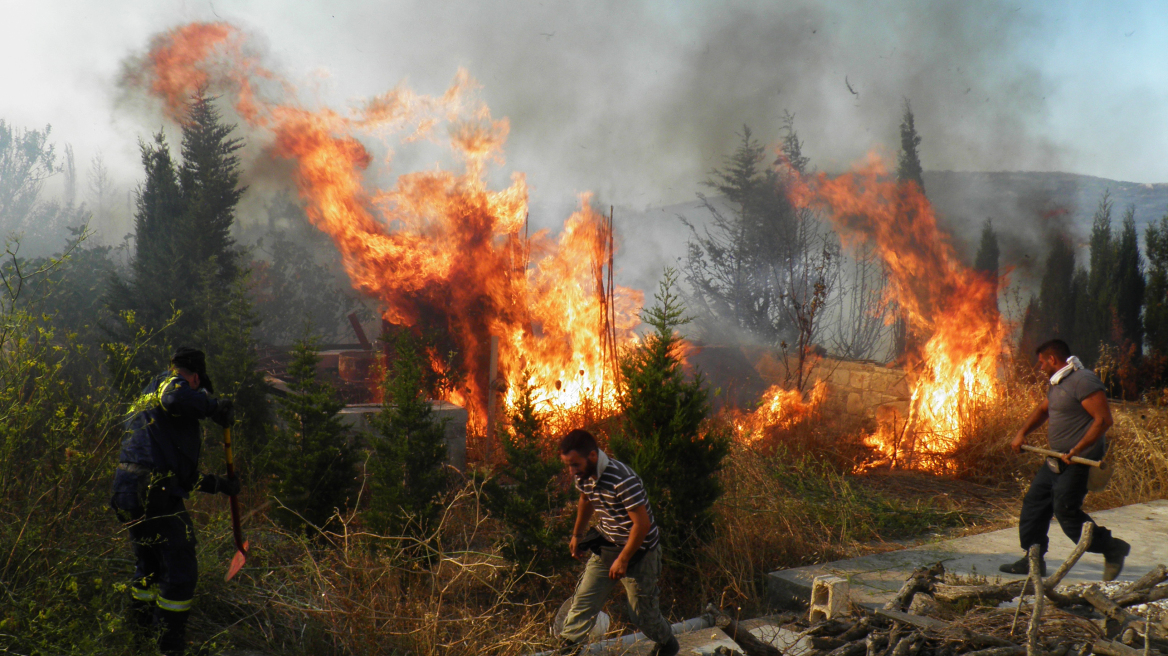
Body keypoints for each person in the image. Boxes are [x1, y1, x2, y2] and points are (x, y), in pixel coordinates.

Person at [110, 347, 238, 656]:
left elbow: (179, 472)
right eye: (200, 386)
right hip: (153, 491)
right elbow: (176, 397)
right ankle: (169, 649)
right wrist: (213, 406)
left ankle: (139, 641)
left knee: (149, 569)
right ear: (194, 378)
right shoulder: (169, 385)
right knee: (180, 570)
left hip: (131, 490)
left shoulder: (155, 408)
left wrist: (219, 485)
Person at [1002, 339, 1130, 581]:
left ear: (1052, 359)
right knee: (1034, 505)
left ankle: (1112, 548)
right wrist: (1021, 433)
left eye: (1041, 362)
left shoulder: (1084, 381)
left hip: (1079, 462)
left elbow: (1103, 420)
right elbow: (1043, 410)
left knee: (1066, 512)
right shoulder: (1059, 383)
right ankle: (1032, 560)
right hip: (1055, 460)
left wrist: (1077, 449)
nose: (1039, 367)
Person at [556, 429, 678, 656]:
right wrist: (577, 535)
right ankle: (568, 650)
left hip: (640, 551)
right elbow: (586, 499)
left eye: (575, 464)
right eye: (568, 465)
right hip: (608, 545)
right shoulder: (584, 477)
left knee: (643, 617)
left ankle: (667, 643)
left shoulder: (623, 479)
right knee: (583, 602)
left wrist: (624, 560)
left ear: (592, 456)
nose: (571, 471)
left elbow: (642, 525)